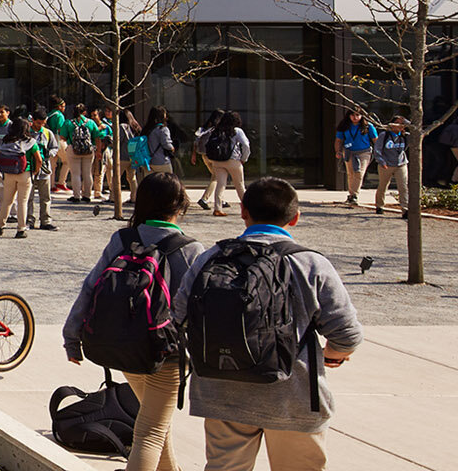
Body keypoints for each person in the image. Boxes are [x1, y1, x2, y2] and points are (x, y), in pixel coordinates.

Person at [175, 177, 363, 471]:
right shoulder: (310, 264)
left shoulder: (210, 257)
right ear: (296, 218)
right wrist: (333, 354)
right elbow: (347, 333)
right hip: (293, 398)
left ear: (243, 213)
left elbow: (179, 315)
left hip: (220, 392)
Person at [64, 174, 206, 471]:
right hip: (165, 355)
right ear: (179, 207)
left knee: (154, 423)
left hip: (122, 348)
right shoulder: (190, 249)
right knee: (150, 432)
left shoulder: (123, 239)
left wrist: (72, 337)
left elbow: (90, 287)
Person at [0, 115, 39, 238]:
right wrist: (35, 172)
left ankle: (0, 227)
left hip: (8, 173)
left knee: (7, 201)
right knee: (22, 201)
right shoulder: (30, 142)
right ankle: (21, 229)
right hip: (24, 173)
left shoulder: (6, 140)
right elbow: (38, 159)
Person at [201, 110, 252, 217]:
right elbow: (246, 145)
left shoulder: (216, 130)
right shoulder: (237, 131)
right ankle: (248, 209)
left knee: (220, 185)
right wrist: (244, 158)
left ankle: (217, 208)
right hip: (233, 160)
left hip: (217, 161)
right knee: (239, 185)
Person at [26, 106, 60, 232]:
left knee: (45, 197)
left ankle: (45, 221)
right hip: (29, 169)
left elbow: (55, 147)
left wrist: (49, 154)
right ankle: (29, 220)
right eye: (38, 123)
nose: (40, 125)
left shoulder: (47, 133)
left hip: (44, 170)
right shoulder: (26, 132)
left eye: (43, 123)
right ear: (33, 120)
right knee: (28, 197)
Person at [334, 108, 375, 207]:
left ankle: (354, 194)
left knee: (359, 172)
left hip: (364, 152)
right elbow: (338, 140)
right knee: (351, 173)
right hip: (349, 151)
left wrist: (379, 153)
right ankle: (351, 195)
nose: (355, 117)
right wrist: (338, 151)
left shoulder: (368, 126)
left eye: (358, 115)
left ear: (362, 116)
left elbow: (375, 139)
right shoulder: (344, 126)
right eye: (353, 115)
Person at [371, 116, 410, 218]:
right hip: (386, 165)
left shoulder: (405, 136)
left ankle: (405, 210)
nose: (399, 125)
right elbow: (377, 149)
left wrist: (405, 122)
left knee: (403, 187)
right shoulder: (384, 135)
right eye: (396, 123)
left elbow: (415, 129)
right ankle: (379, 206)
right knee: (383, 186)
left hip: (401, 164)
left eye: (401, 124)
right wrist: (382, 161)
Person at [64, 103, 99, 202]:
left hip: (73, 149)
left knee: (75, 174)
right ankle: (87, 195)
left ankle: (76, 196)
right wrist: (98, 150)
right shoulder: (91, 122)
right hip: (88, 150)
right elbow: (97, 136)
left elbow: (63, 137)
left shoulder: (68, 123)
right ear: (84, 112)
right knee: (87, 173)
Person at [145, 107, 177, 176]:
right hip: (162, 161)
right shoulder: (163, 129)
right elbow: (166, 144)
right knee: (169, 182)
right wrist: (172, 148)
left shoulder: (147, 129)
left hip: (148, 162)